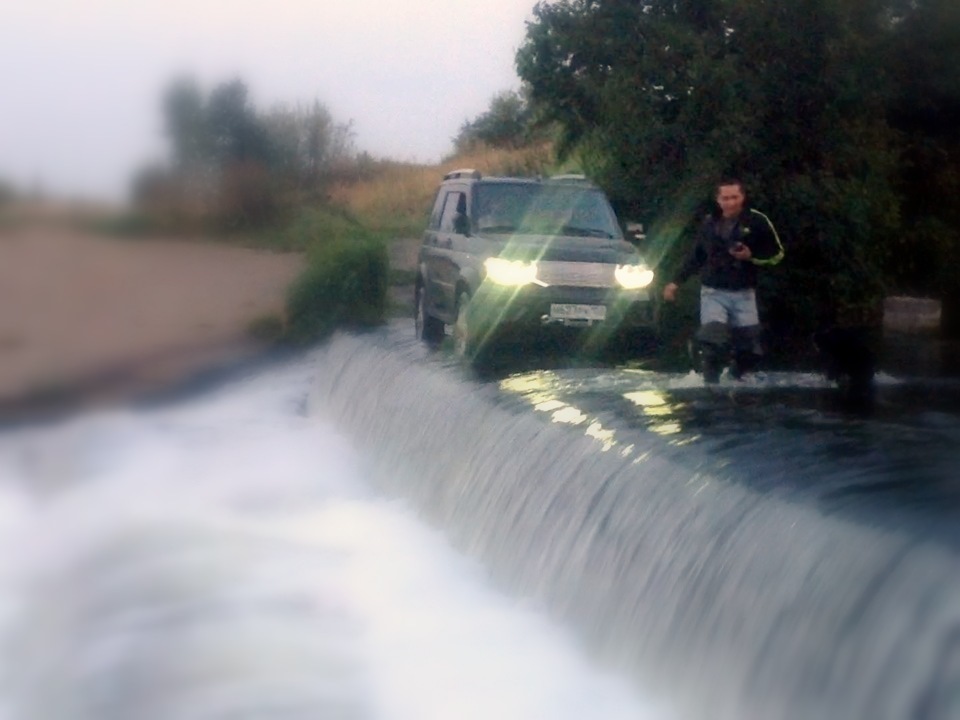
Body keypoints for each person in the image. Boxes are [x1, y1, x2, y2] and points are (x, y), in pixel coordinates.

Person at [662, 179, 784, 382]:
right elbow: (696, 256)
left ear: (742, 197)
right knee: (713, 342)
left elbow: (777, 253)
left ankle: (734, 377)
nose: (730, 203)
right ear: (718, 200)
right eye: (725, 198)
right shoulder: (709, 223)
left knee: (751, 351)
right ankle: (710, 383)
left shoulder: (757, 221)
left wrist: (751, 256)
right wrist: (675, 282)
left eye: (734, 197)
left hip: (744, 292)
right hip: (713, 291)